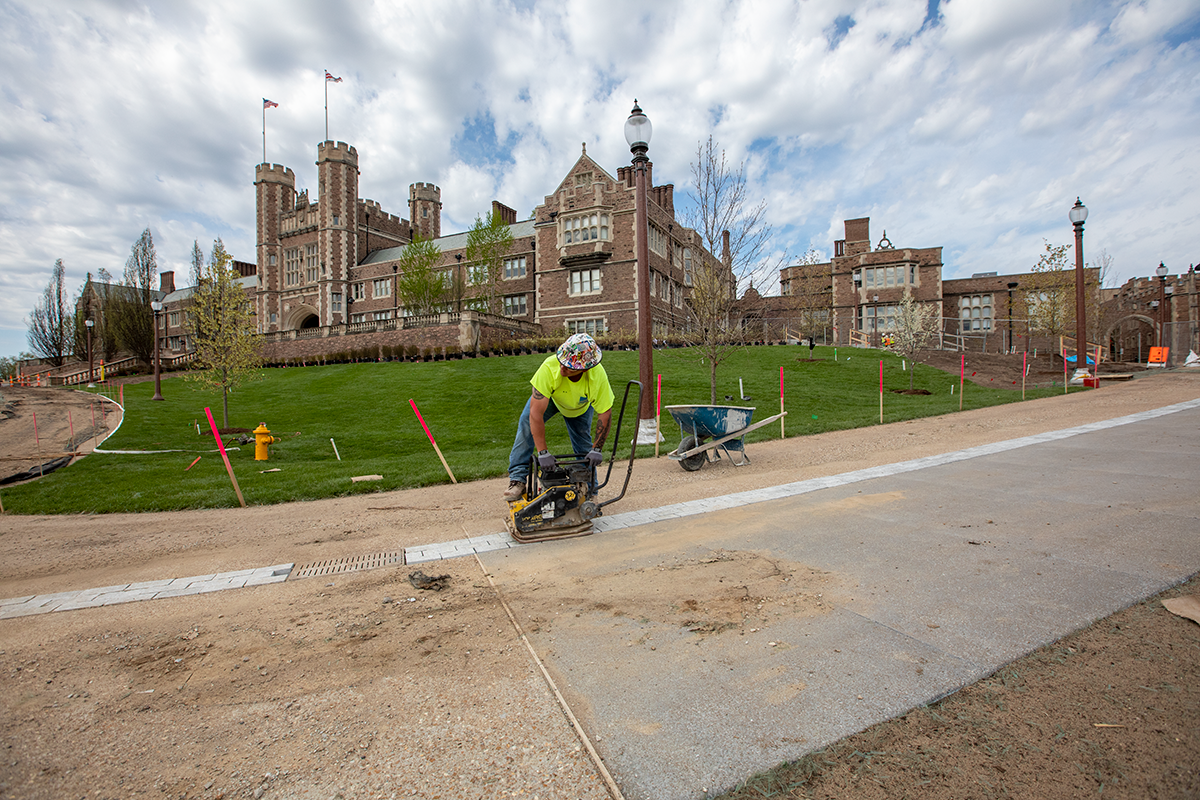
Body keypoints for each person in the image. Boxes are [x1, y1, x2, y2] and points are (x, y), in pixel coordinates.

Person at [503, 333, 614, 502]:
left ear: (584, 369)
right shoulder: (549, 367)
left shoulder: (597, 377)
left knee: (584, 445)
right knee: (526, 424)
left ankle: (590, 490)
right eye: (562, 362)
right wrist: (543, 452)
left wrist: (597, 449)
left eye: (569, 367)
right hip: (552, 399)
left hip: (580, 407)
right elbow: (535, 414)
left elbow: (605, 413)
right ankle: (517, 479)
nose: (562, 368)